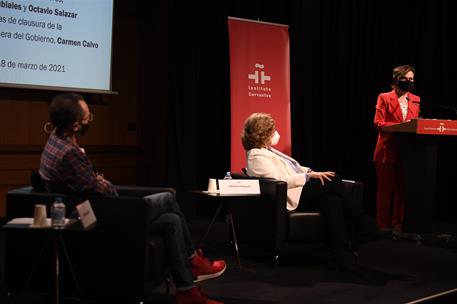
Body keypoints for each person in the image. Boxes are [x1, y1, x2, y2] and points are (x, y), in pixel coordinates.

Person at [39, 93, 226, 304]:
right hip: (101, 216)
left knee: (172, 221)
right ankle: (193, 261)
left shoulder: (54, 140)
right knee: (167, 198)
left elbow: (91, 182)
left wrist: (96, 179)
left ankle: (186, 291)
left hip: (95, 207)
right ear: (75, 125)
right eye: (87, 118)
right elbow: (106, 191)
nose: (89, 120)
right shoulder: (70, 153)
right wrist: (100, 180)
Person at [241, 112, 386, 271]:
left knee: (332, 200)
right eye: (272, 131)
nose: (275, 134)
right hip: (288, 198)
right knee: (333, 179)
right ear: (263, 134)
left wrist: (310, 171)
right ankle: (363, 223)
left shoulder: (269, 150)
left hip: (298, 191)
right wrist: (308, 176)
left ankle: (342, 255)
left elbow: (292, 167)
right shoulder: (256, 155)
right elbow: (279, 180)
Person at [373, 65, 420, 233]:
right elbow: (378, 123)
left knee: (402, 191)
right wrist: (401, 126)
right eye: (405, 79)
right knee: (385, 192)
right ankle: (383, 226)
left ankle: (398, 225)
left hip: (407, 152)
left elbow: (415, 125)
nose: (409, 82)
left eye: (412, 79)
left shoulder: (415, 99)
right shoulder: (384, 97)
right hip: (387, 150)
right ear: (396, 79)